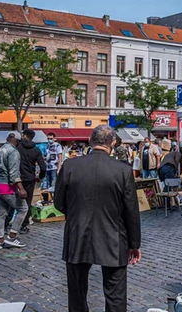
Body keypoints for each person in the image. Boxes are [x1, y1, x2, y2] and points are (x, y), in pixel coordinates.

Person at [55, 125, 141, 312]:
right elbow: (131, 211)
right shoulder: (123, 170)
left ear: (90, 141)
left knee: (76, 293)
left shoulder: (70, 166)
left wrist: (76, 214)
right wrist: (134, 244)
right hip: (113, 237)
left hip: (77, 234)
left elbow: (58, 203)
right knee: (115, 294)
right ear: (113, 143)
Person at [0, 133, 28, 250]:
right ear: (17, 142)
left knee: (1, 213)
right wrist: (21, 188)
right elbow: (14, 173)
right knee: (23, 209)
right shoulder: (13, 152)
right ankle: (12, 236)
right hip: (7, 187)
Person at [17, 129, 47, 234]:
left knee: (14, 202)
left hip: (16, 178)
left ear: (24, 136)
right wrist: (40, 177)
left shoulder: (17, 147)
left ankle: (9, 224)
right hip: (30, 178)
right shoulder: (36, 150)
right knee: (27, 202)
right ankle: (24, 225)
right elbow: (43, 167)